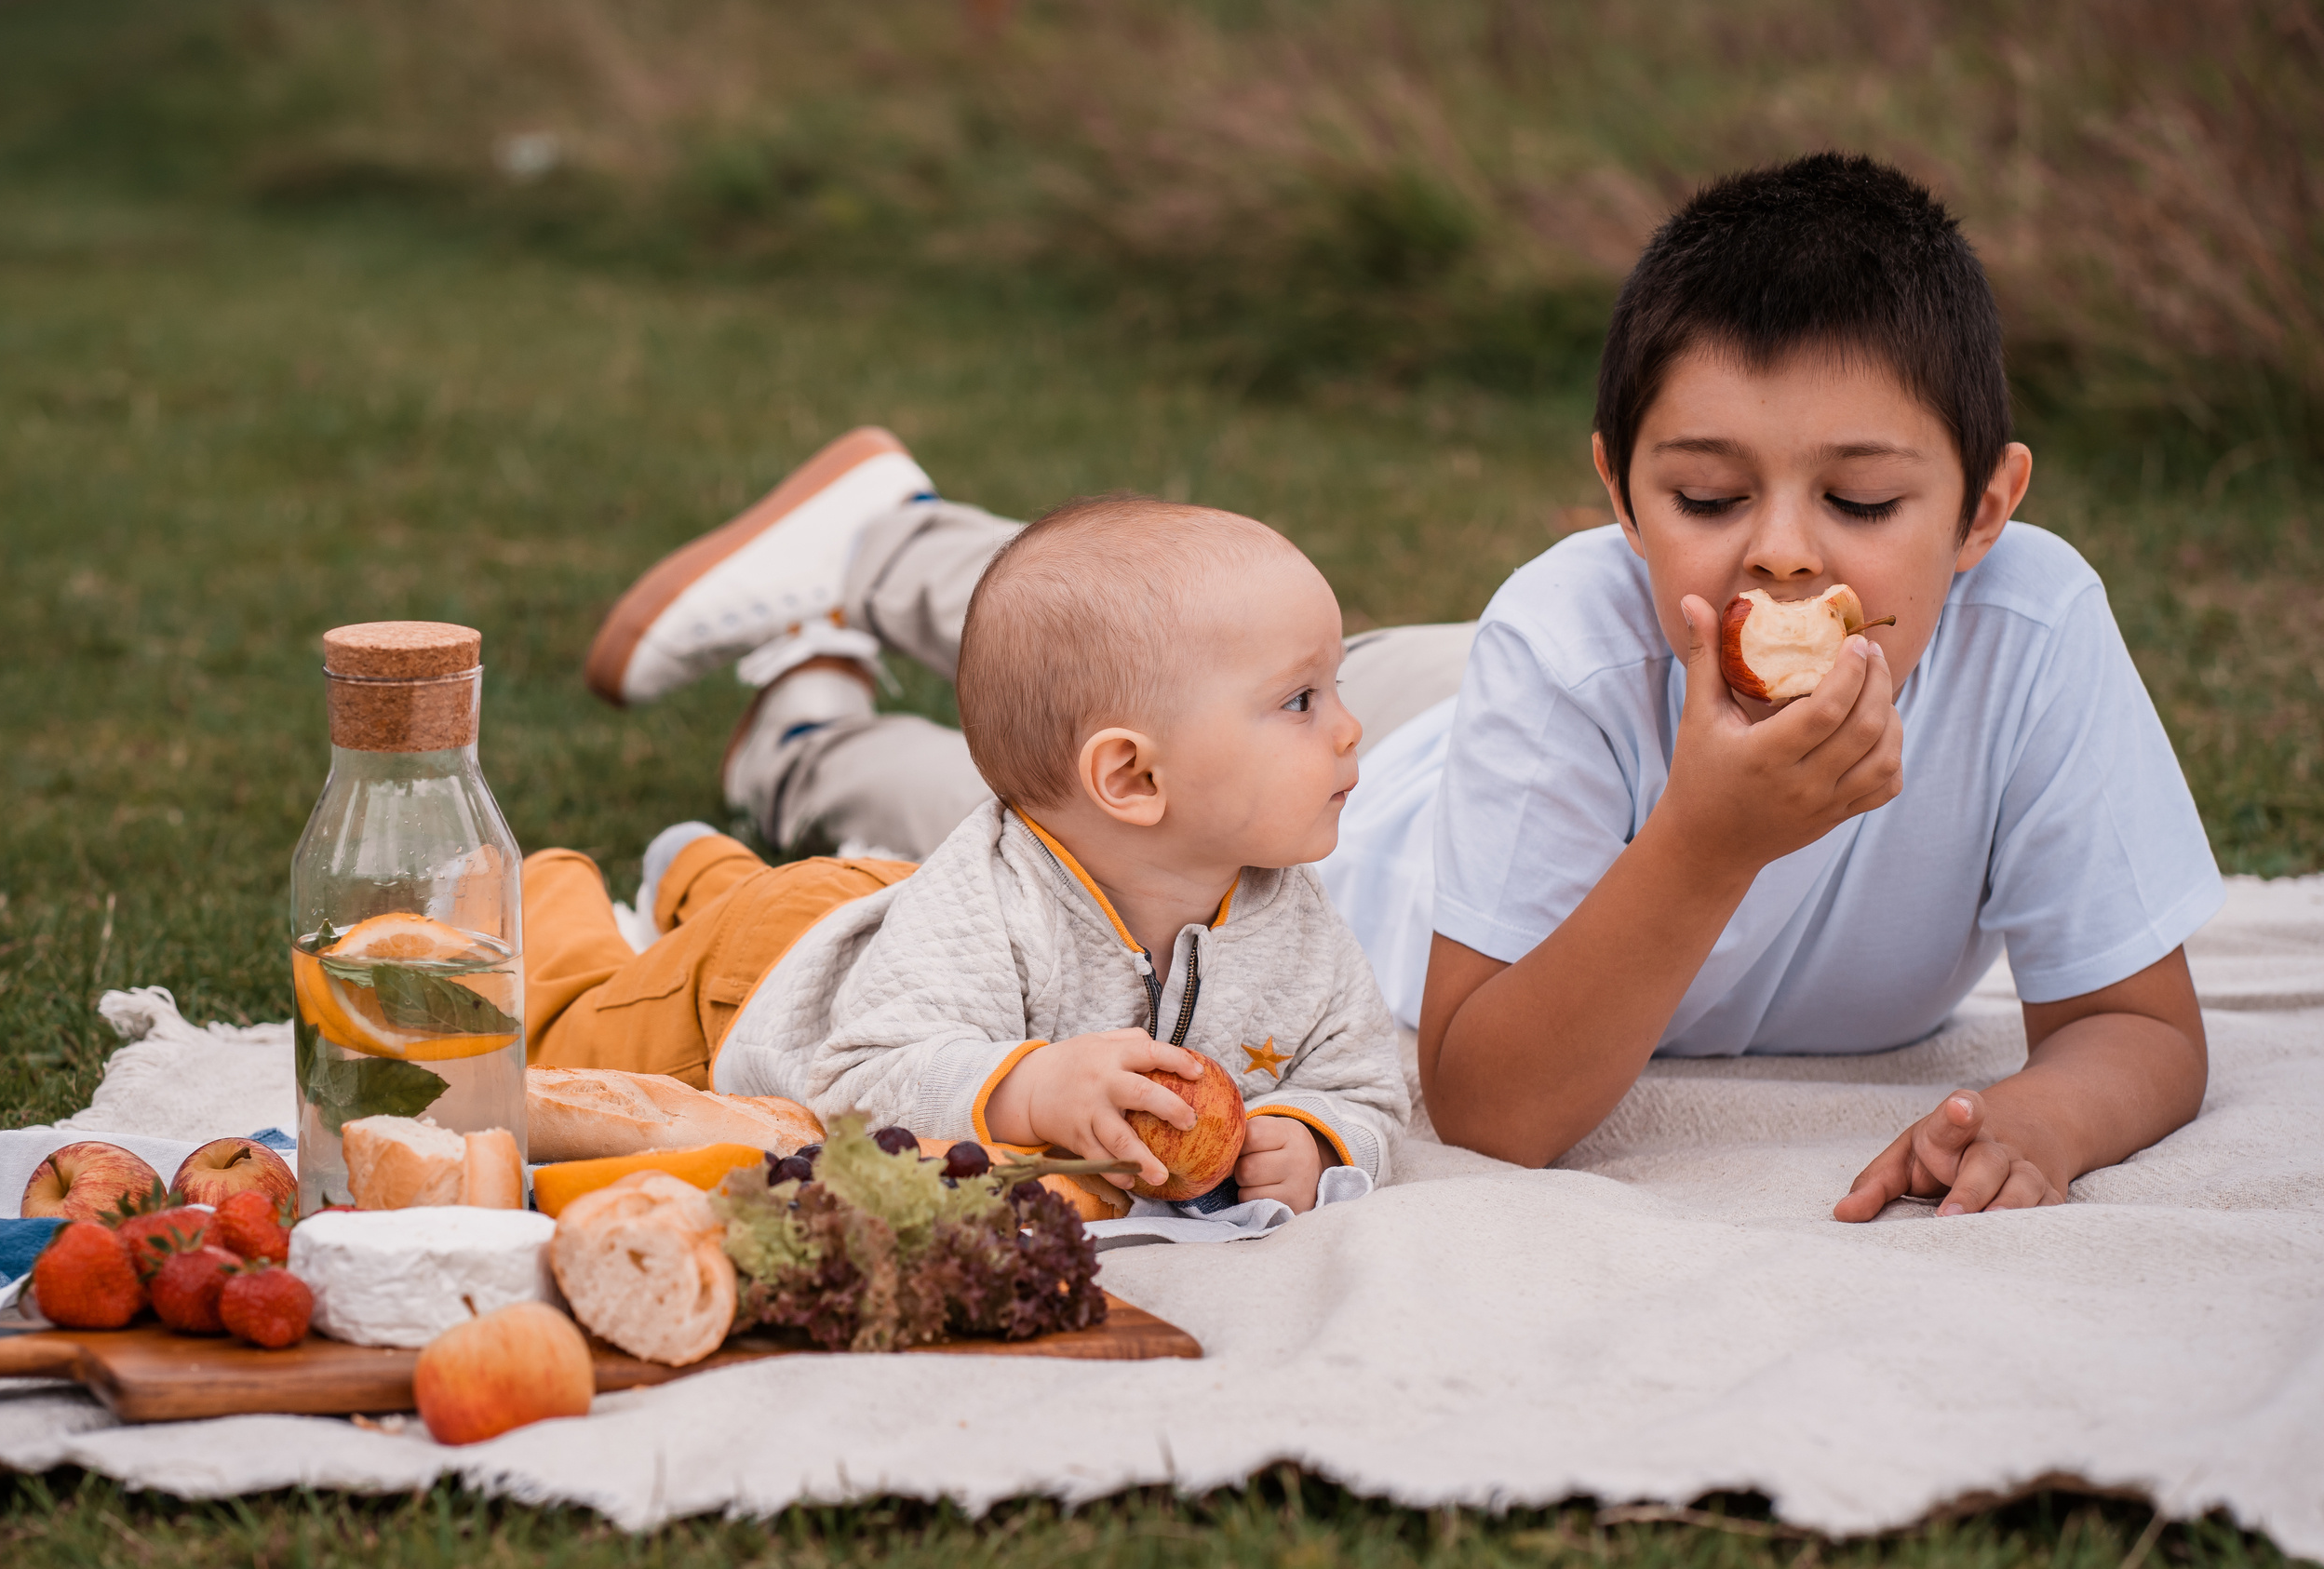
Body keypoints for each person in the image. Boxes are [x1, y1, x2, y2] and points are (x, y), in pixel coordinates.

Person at [1328, 152, 2221, 1221]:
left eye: (1862, 498)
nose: (1786, 555)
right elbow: (1488, 1109)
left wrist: (2046, 1119)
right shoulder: (1563, 640)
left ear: (1983, 511)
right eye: (1706, 499)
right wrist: (1709, 839)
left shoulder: (2029, 632)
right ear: (1620, 493)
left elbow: (2143, 1027)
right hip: (1396, 743)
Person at [531, 494, 1409, 1213]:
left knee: (803, 902)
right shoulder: (996, 905)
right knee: (566, 1041)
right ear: (1133, 775)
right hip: (758, 975)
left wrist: (1316, 1131)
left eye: (1334, 688)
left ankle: (701, 867)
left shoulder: (1286, 906)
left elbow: (1363, 1075)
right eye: (1300, 700)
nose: (1350, 727)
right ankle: (554, 888)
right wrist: (1032, 1086)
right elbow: (861, 1073)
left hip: (890, 914)